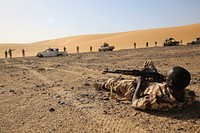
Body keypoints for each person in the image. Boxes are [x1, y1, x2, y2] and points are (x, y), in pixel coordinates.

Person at [93, 61, 196, 111]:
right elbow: (176, 89)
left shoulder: (159, 100)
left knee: (121, 83)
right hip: (153, 85)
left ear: (171, 83)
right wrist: (158, 80)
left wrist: (139, 84)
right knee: (149, 65)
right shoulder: (188, 95)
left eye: (167, 77)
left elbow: (135, 103)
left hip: (139, 91)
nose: (165, 78)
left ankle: (103, 85)